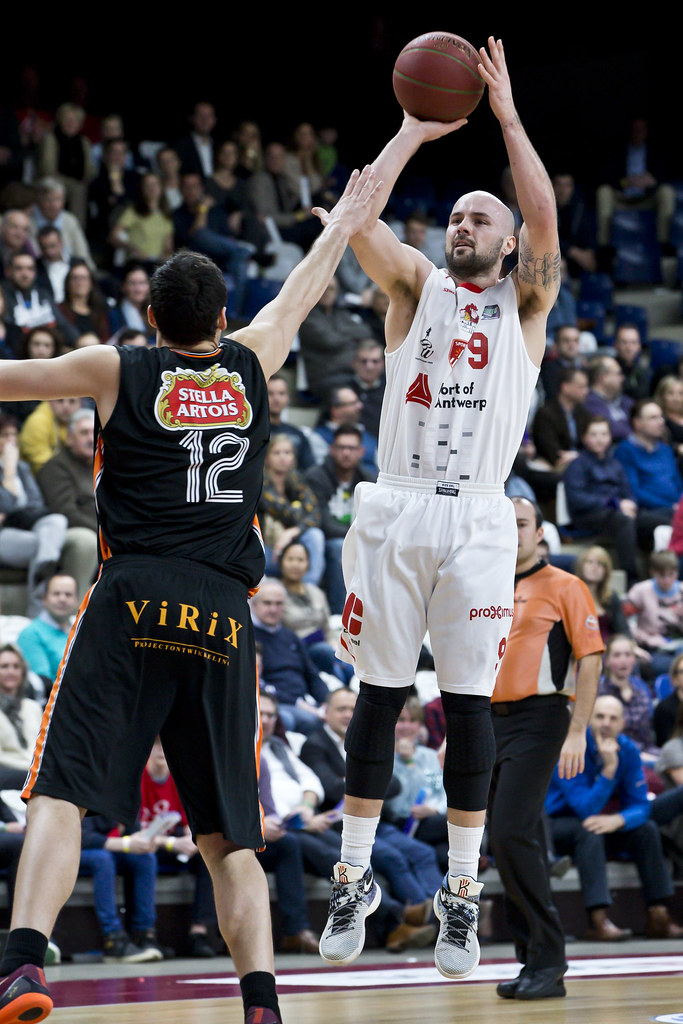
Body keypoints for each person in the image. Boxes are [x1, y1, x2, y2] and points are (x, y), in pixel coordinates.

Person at [0, 162, 384, 1024]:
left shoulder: (114, 368)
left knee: (60, 794)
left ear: (148, 317)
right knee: (228, 838)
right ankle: (259, 1003)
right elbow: (302, 287)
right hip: (220, 612)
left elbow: (6, 380)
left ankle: (23, 966)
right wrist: (349, 219)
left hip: (131, 593)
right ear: (220, 318)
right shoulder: (253, 363)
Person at [318, 38, 560, 981]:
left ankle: (461, 896)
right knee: (378, 697)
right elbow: (355, 217)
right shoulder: (415, 287)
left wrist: (504, 118)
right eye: (455, 215)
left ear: (504, 246)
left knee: (465, 705)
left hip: (478, 522)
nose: (463, 224)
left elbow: (542, 214)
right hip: (396, 506)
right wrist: (415, 130)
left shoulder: (525, 306)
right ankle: (352, 875)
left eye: (479, 217)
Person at [487, 496, 603, 1001]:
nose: (512, 532)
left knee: (510, 832)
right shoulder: (483, 585)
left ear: (539, 533)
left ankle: (550, 959)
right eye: (504, 524)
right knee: (507, 840)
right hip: (489, 722)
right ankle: (533, 961)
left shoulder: (566, 585)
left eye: (521, 524)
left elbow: (591, 658)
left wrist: (577, 730)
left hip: (541, 720)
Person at [546, 694, 683, 940]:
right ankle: (597, 920)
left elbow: (640, 805)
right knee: (588, 828)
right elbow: (584, 809)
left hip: (602, 823)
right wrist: (609, 769)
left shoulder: (628, 749)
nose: (606, 723)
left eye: (613, 718)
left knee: (646, 829)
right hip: (558, 825)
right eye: (600, 717)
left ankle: (658, 914)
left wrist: (619, 820)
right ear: (589, 720)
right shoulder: (571, 748)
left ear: (621, 724)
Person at [141, 738, 217, 958]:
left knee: (208, 854)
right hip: (148, 846)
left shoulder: (178, 778)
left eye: (165, 745)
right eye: (155, 745)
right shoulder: (136, 778)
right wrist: (173, 843)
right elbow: (134, 834)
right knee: (145, 859)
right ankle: (147, 935)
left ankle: (199, 931)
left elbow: (188, 823)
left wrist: (192, 841)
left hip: (174, 844)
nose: (161, 752)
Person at [304, 424, 378, 614]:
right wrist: (355, 536)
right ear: (332, 450)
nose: (346, 453)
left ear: (361, 451)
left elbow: (376, 520)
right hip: (329, 540)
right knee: (339, 547)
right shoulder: (316, 477)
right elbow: (322, 521)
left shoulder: (369, 480)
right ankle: (339, 613)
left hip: (360, 538)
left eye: (351, 448)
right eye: (341, 447)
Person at [0, 415, 69, 617]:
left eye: (14, 435)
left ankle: (44, 574)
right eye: (4, 435)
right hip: (4, 535)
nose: (11, 440)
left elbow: (37, 503)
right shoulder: (15, 468)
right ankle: (40, 608)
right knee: (45, 547)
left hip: (27, 527)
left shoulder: (22, 467)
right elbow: (7, 503)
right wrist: (9, 473)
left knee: (57, 521)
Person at [561, 416, 641, 584]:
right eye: (594, 434)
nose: (600, 439)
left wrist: (631, 503)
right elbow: (578, 499)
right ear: (583, 437)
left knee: (653, 520)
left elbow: (627, 490)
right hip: (587, 516)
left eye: (604, 434)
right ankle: (631, 579)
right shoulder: (577, 465)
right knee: (624, 521)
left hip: (615, 514)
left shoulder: (614, 464)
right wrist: (615, 503)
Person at [250, 579, 331, 736]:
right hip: (274, 703)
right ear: (254, 605)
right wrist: (298, 703)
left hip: (304, 701)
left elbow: (312, 675)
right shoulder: (247, 636)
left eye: (279, 604)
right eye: (267, 603)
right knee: (308, 721)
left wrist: (327, 702)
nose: (273, 609)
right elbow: (258, 682)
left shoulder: (290, 636)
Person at [277, 540, 351, 685]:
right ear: (281, 563)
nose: (295, 565)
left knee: (340, 650)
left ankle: (350, 681)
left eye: (301, 560)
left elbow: (326, 627)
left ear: (308, 564)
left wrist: (334, 645)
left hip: (324, 648)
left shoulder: (316, 592)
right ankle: (348, 682)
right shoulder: (275, 592)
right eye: (290, 559)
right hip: (296, 649)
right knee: (324, 651)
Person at [258, 434, 325, 584]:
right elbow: (287, 513)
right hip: (268, 548)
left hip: (291, 546)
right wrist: (301, 516)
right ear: (267, 457)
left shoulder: (296, 480)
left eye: (287, 453)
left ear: (293, 458)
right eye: (277, 453)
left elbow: (316, 514)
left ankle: (309, 589)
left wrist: (291, 532)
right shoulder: (260, 482)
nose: (283, 457)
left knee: (315, 535)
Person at [615, 399, 683, 539]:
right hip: (648, 511)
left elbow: (678, 482)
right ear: (637, 423)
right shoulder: (625, 451)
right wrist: (671, 506)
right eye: (653, 418)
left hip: (674, 508)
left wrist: (680, 505)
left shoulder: (665, 449)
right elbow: (635, 491)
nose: (661, 421)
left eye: (661, 416)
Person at [16, 574, 79, 699]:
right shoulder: (31, 634)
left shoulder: (82, 629)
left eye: (68, 594)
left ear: (77, 600)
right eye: (56, 594)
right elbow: (44, 684)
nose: (62, 598)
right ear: (44, 599)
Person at [622, 550, 683, 678]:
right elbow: (624, 623)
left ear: (677, 572)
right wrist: (646, 638)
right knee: (666, 666)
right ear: (652, 572)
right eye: (661, 575)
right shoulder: (640, 591)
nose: (667, 580)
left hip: (679, 645)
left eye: (671, 575)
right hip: (653, 648)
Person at [597, 635, 658, 761]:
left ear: (634, 660)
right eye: (617, 655)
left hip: (648, 750)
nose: (623, 660)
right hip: (616, 754)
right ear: (607, 660)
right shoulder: (599, 691)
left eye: (628, 655)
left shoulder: (642, 688)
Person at [530, 365, 590, 472]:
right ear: (565, 387)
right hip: (554, 466)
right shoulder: (546, 414)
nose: (586, 391)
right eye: (581, 387)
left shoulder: (583, 413)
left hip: (581, 463)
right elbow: (550, 450)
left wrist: (577, 456)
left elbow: (589, 442)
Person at [266, 373, 315, 472]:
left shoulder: (298, 435)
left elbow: (309, 470)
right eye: (270, 393)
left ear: (288, 398)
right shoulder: (253, 433)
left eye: (281, 393)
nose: (276, 398)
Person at [583, 355, 633, 443]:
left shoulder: (624, 400)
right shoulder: (589, 402)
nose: (622, 378)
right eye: (618, 374)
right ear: (604, 378)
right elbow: (613, 431)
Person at [613, 323, 651, 402]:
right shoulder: (609, 370)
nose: (629, 348)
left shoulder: (643, 371)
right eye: (624, 342)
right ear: (615, 345)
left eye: (633, 342)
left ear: (639, 346)